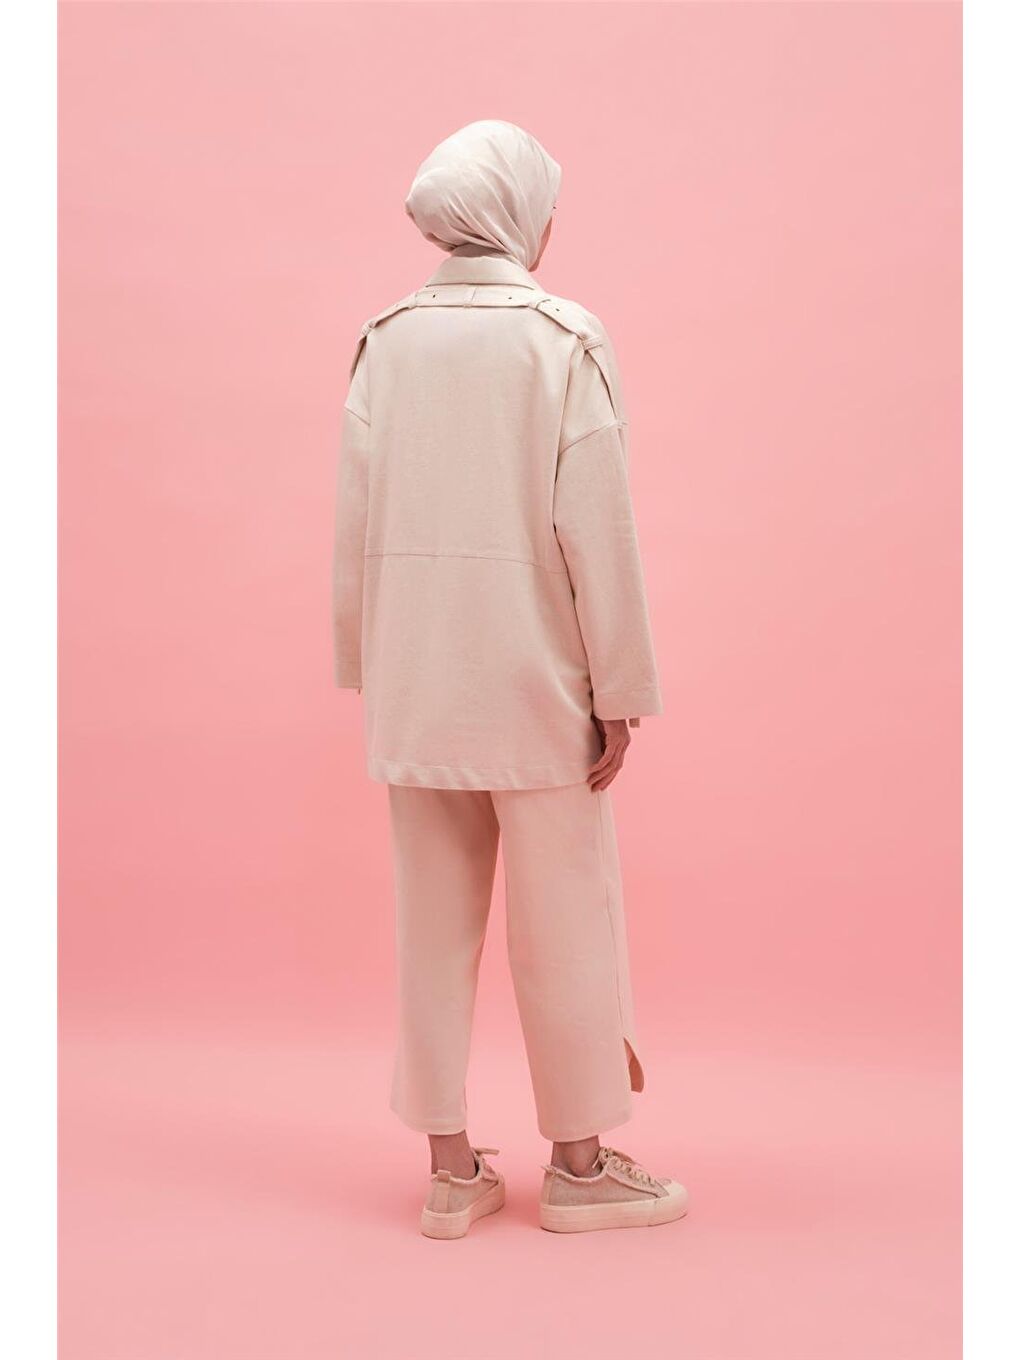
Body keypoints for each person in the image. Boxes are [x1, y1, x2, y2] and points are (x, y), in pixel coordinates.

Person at [333, 120, 687, 1237]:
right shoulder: (561, 339)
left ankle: (451, 1172)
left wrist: (369, 667)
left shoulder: (386, 340)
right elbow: (599, 531)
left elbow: (356, 521)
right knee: (566, 923)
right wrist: (619, 689)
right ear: (516, 211)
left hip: (418, 684)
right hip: (538, 687)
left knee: (429, 928)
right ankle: (577, 1167)